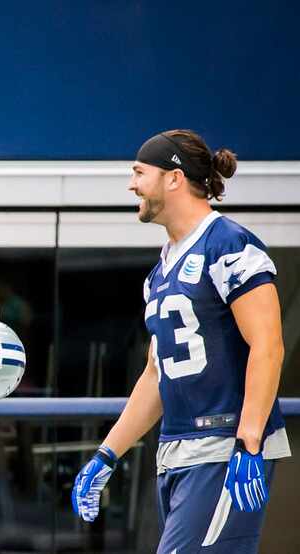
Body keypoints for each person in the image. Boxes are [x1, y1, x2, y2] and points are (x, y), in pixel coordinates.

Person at [71, 130, 291, 553]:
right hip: (177, 453)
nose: (131, 184)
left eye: (139, 172)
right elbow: (157, 372)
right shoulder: (161, 270)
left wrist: (249, 443)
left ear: (174, 178)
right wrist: (106, 455)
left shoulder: (228, 244)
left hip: (223, 449)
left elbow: (268, 345)